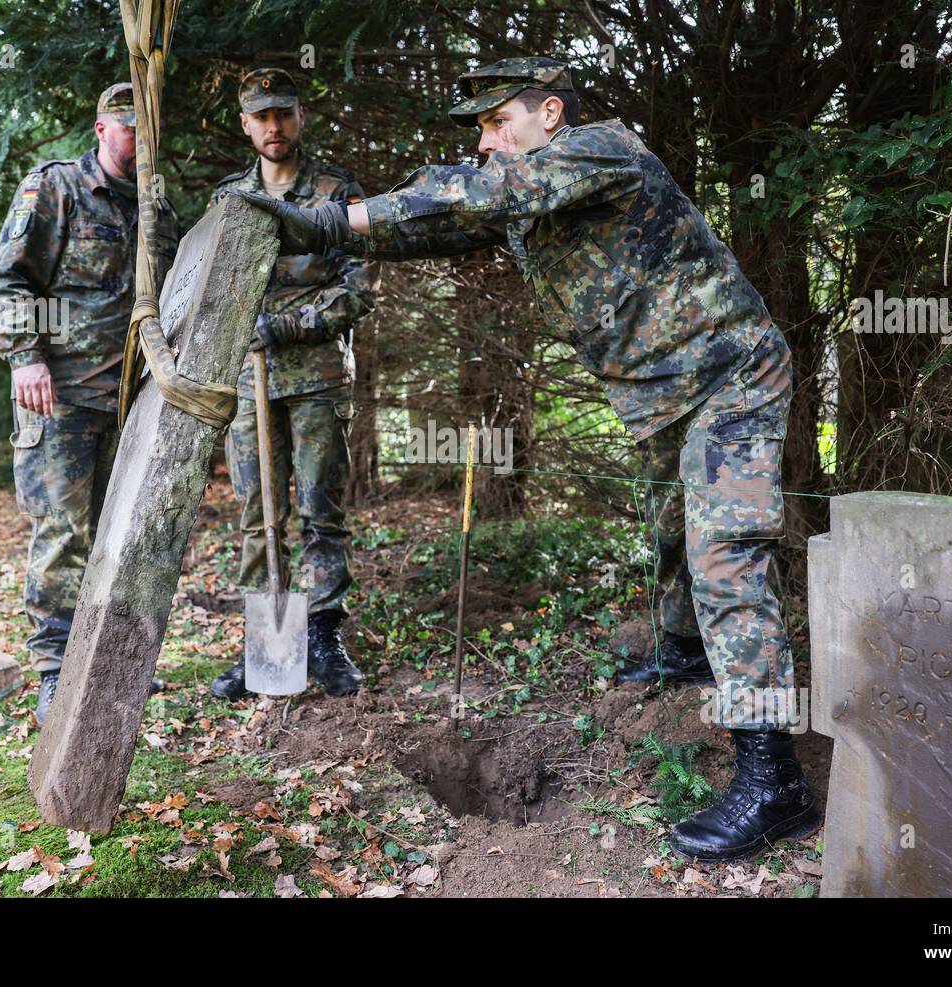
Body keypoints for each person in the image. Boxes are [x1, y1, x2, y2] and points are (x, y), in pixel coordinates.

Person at [234, 57, 819, 862]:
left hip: (732, 374)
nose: (484, 141)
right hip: (663, 392)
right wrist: (327, 225)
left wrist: (340, 216)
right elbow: (438, 223)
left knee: (726, 558)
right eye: (477, 128)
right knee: (674, 534)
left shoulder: (598, 150)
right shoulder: (528, 189)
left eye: (494, 122)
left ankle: (774, 779)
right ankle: (685, 658)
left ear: (550, 114)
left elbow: (478, 193)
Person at [0, 82, 180, 724]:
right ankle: (54, 670)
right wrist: (24, 356)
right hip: (60, 396)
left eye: (146, 131)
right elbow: (8, 281)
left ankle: (104, 659)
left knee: (120, 536)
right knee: (65, 532)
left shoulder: (159, 212)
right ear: (101, 130)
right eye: (128, 129)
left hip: (133, 404)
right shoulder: (58, 188)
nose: (138, 142)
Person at [207, 69, 378, 700]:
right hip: (249, 385)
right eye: (261, 117)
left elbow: (359, 289)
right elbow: (211, 288)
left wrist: (286, 324)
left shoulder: (335, 192)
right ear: (246, 124)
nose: (273, 127)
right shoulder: (228, 198)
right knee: (258, 516)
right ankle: (266, 647)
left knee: (320, 513)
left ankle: (325, 637)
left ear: (299, 117)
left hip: (315, 379)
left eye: (284, 114)